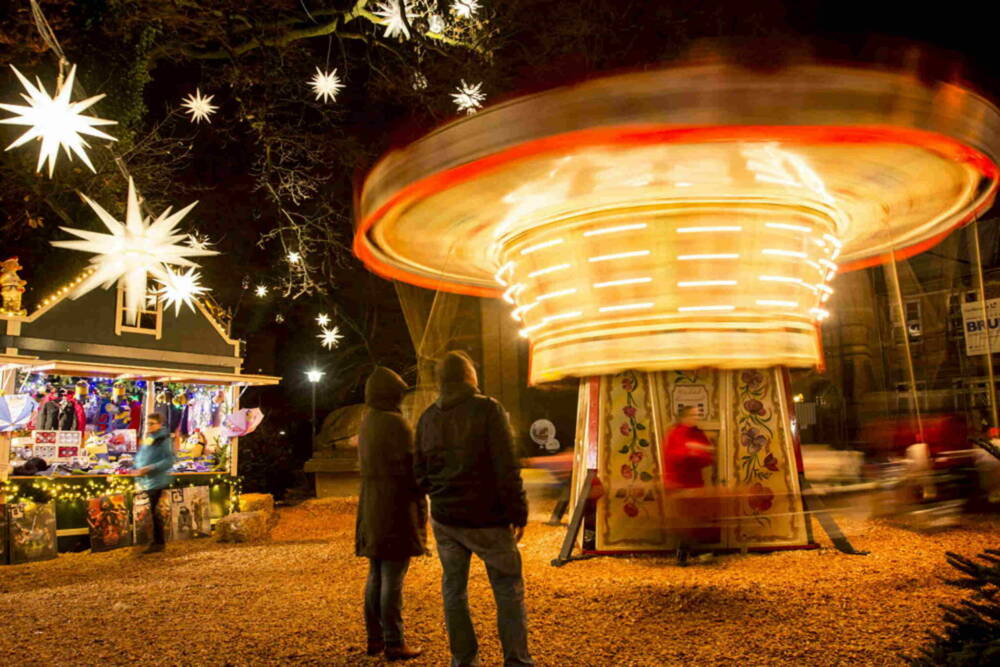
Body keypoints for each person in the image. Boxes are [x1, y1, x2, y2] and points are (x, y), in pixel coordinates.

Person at [415, 351, 533, 667]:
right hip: (488, 518)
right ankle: (517, 660)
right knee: (508, 588)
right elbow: (506, 466)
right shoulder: (488, 410)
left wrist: (438, 495)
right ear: (470, 378)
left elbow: (419, 469)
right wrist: (518, 511)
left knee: (454, 589)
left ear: (441, 382)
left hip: (445, 519)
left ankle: (463, 660)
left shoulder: (427, 417)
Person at [355, 366, 427, 661]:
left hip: (371, 505)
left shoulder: (367, 421)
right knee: (393, 577)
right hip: (395, 505)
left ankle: (375, 640)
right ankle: (394, 642)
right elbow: (413, 468)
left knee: (376, 574)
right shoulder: (396, 424)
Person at [660, 405, 716, 565]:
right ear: (684, 417)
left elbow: (708, 457)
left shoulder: (697, 434)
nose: (696, 418)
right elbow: (673, 457)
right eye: (693, 415)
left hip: (695, 482)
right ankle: (690, 552)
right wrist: (693, 451)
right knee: (685, 521)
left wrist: (699, 451)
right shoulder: (676, 433)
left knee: (696, 518)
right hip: (679, 483)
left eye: (697, 415)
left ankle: (689, 552)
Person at [133, 413, 175, 554]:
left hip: (156, 481)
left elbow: (169, 460)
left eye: (151, 423)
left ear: (159, 424)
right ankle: (156, 542)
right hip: (147, 481)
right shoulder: (150, 438)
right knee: (151, 512)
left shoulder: (163, 439)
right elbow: (143, 455)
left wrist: (150, 468)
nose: (149, 426)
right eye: (147, 424)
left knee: (154, 512)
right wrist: (137, 467)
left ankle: (158, 543)